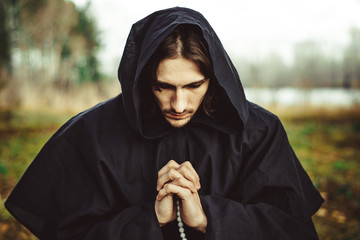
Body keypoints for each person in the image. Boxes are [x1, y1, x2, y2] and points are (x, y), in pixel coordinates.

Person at [5, 7, 324, 239]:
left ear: (213, 79)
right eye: (164, 86)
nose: (179, 105)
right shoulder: (90, 136)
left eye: (193, 86)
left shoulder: (258, 132)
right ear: (144, 80)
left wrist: (208, 218)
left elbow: (292, 230)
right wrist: (150, 220)